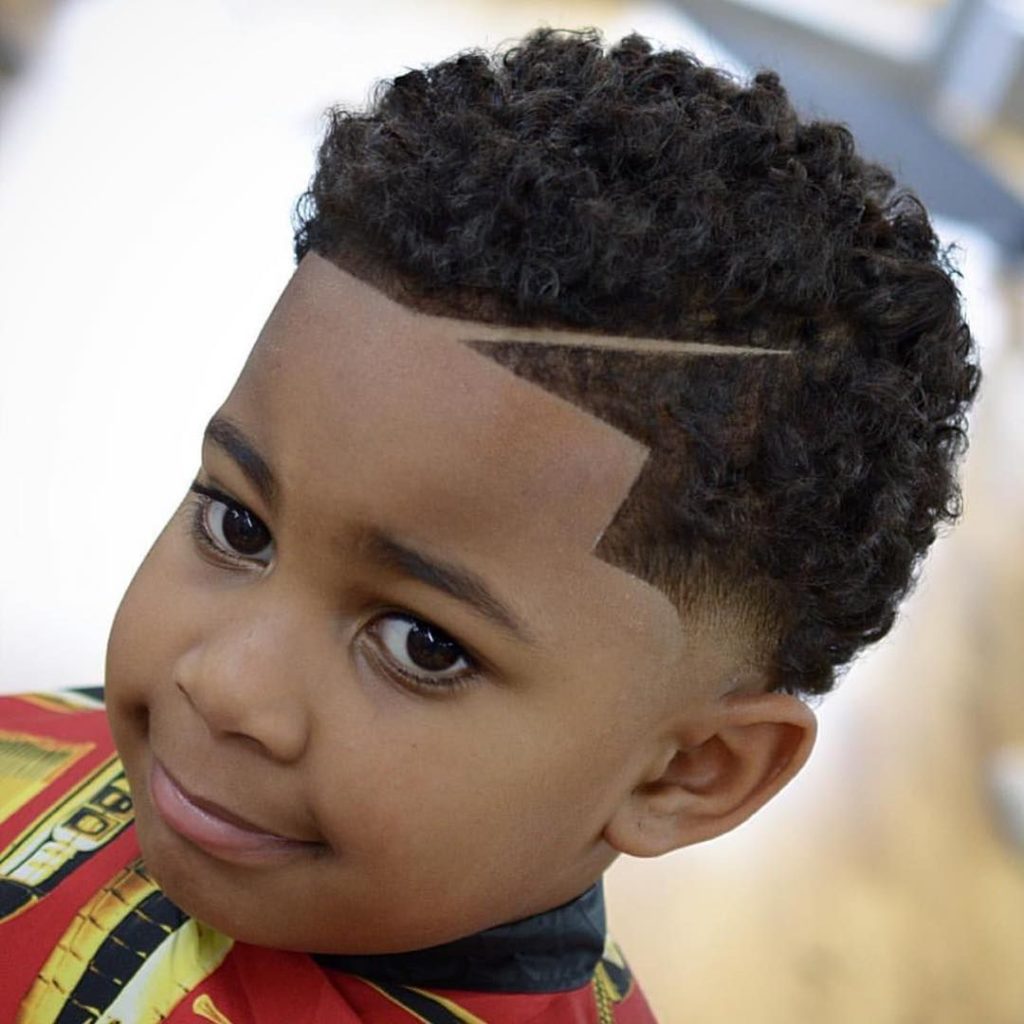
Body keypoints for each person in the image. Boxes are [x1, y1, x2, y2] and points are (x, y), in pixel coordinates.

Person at [0, 28, 978, 1023]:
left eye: (420, 645)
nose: (222, 682)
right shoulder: (36, 746)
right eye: (241, 527)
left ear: (688, 769)